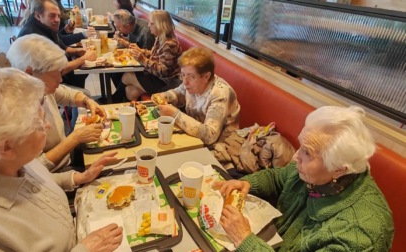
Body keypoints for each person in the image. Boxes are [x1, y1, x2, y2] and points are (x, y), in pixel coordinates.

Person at [214, 106, 394, 251]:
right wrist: (247, 183)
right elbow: (279, 177)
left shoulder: (358, 236)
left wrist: (244, 239)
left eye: (307, 152)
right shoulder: (311, 172)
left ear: (339, 170)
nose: (295, 157)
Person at [0, 66, 123, 251]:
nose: (48, 125)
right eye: (39, 124)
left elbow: (38, 181)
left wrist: (77, 177)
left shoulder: (18, 163)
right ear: (7, 146)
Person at [7, 34, 106, 172]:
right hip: (56, 174)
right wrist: (75, 138)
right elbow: (35, 172)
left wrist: (87, 100)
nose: (60, 79)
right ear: (29, 73)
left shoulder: (40, 88)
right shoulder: (16, 113)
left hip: (67, 156)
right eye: (56, 74)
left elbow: (65, 93)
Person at [155, 47, 240, 146]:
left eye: (191, 77)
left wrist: (175, 114)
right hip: (195, 136)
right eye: (182, 75)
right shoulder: (191, 83)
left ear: (206, 77)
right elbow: (178, 94)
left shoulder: (219, 95)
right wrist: (164, 96)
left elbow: (210, 136)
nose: (185, 82)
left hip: (221, 145)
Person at [18, 0, 96, 89]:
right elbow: (56, 70)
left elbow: (62, 45)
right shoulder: (34, 36)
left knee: (82, 70)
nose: (57, 20)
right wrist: (83, 59)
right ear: (38, 15)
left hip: (51, 74)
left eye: (58, 16)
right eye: (52, 16)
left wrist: (79, 51)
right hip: (39, 85)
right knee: (82, 74)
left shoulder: (44, 26)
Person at [120, 10, 182, 101]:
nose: (148, 26)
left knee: (127, 76)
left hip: (167, 83)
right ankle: (132, 110)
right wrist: (141, 50)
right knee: (130, 91)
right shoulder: (160, 37)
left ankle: (115, 100)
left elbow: (164, 72)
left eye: (152, 23)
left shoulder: (170, 44)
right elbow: (154, 54)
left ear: (161, 25)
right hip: (157, 77)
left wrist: (143, 60)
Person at [110, 9, 155, 102]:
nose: (116, 28)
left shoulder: (146, 32)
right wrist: (122, 39)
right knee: (128, 90)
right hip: (139, 64)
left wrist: (126, 44)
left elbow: (147, 55)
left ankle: (115, 99)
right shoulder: (132, 25)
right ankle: (117, 99)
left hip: (147, 70)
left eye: (118, 26)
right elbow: (133, 43)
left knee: (119, 73)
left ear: (126, 26)